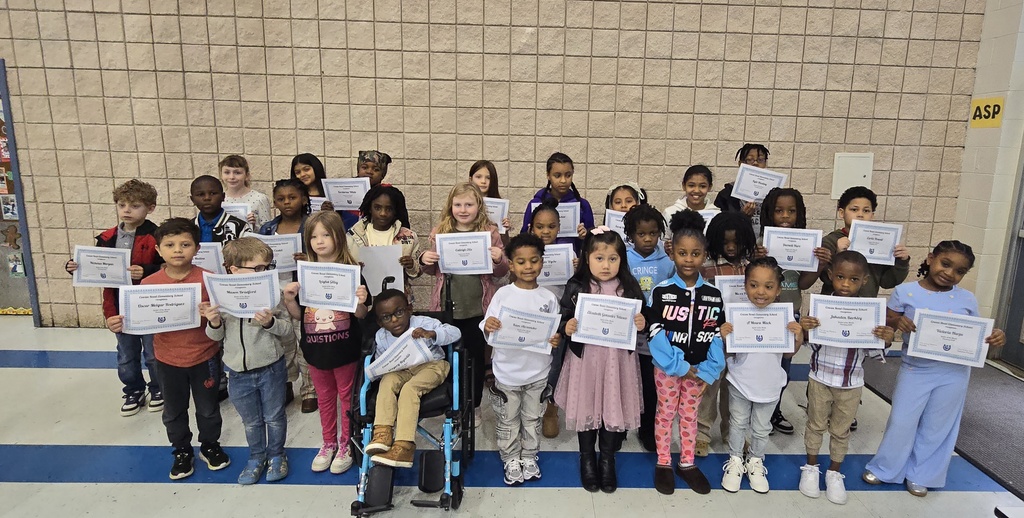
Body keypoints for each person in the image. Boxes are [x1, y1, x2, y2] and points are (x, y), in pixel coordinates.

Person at [863, 241, 1006, 496]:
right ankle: (887, 468)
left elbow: (976, 335)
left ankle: (923, 474)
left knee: (938, 425)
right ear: (930, 259)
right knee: (902, 420)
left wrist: (994, 337)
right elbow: (885, 324)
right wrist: (898, 322)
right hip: (915, 368)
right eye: (946, 264)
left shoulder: (967, 299)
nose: (950, 273)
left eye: (960, 271)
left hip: (954, 372)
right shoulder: (905, 292)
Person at [116, 218, 229, 479]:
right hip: (166, 360)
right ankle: (181, 450)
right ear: (158, 250)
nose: (177, 250)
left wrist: (214, 315)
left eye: (185, 244)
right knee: (174, 410)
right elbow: (139, 322)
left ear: (197, 248)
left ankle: (210, 445)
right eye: (170, 244)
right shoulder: (148, 285)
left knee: (209, 409)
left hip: (205, 357)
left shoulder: (209, 280)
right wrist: (123, 323)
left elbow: (222, 320)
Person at [795, 250, 895, 504]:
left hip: (851, 383)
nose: (845, 284)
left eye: (853, 280)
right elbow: (811, 345)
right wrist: (807, 331)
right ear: (830, 276)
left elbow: (873, 351)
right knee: (815, 425)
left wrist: (885, 338)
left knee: (840, 431)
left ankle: (834, 472)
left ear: (864, 281)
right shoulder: (821, 307)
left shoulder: (868, 313)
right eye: (840, 277)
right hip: (819, 379)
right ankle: (811, 468)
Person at [555, 227, 646, 494]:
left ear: (622, 260)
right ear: (586, 259)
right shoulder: (577, 286)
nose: (606, 265)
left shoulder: (628, 287)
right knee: (587, 405)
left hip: (617, 361)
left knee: (611, 405)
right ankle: (587, 459)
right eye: (599, 258)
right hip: (586, 360)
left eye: (612, 259)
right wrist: (567, 326)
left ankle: (607, 459)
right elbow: (562, 317)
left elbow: (643, 316)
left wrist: (641, 322)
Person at [282, 211, 372, 475]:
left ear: (338, 238)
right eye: (313, 236)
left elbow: (362, 315)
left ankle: (346, 444)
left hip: (345, 349)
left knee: (346, 397)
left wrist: (361, 301)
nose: (319, 241)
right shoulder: (304, 275)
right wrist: (289, 300)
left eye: (326, 235)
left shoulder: (352, 272)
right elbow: (300, 315)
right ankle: (328, 443)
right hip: (315, 350)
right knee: (324, 398)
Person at [64, 179, 164, 416]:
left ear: (150, 208)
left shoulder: (157, 236)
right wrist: (75, 267)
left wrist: (147, 271)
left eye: (135, 205)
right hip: (119, 305)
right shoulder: (106, 237)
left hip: (149, 304)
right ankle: (133, 389)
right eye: (122, 205)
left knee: (153, 353)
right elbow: (97, 270)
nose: (127, 210)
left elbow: (169, 266)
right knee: (126, 354)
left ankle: (159, 388)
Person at [201, 238, 293, 485]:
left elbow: (287, 330)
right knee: (251, 421)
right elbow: (215, 337)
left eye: (267, 267)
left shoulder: (272, 295)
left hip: (270, 367)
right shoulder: (222, 298)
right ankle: (256, 457)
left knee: (274, 416)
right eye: (259, 268)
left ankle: (276, 455)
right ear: (233, 269)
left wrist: (269, 323)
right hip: (237, 371)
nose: (264, 273)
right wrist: (214, 321)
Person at [646, 210, 725, 496]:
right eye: (682, 253)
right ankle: (664, 461)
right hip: (668, 369)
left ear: (704, 255)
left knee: (689, 416)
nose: (688, 259)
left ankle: (688, 463)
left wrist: (709, 368)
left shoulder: (713, 295)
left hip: (699, 369)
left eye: (695, 253)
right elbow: (654, 332)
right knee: (666, 413)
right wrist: (678, 365)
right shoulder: (662, 291)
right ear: (673, 255)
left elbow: (717, 333)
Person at [419, 182, 510, 427]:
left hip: (478, 309)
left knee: (476, 360)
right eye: (458, 204)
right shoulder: (441, 231)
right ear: (450, 206)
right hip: (447, 308)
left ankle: (475, 406)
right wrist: (424, 259)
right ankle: (453, 404)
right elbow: (431, 269)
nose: (463, 209)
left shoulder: (490, 232)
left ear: (478, 206)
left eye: (469, 204)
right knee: (449, 358)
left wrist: (500, 258)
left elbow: (501, 272)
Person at [481, 233, 562, 485]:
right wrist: (489, 324)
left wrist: (554, 339)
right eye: (522, 262)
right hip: (507, 373)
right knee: (508, 419)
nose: (528, 267)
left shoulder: (548, 298)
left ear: (542, 262)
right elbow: (487, 326)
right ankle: (510, 458)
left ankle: (529, 455)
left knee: (532, 418)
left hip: (538, 373)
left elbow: (552, 332)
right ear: (512, 265)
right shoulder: (503, 295)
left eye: (534, 261)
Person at [719, 256, 803, 494]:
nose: (761, 292)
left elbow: (788, 355)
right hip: (740, 380)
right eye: (754, 285)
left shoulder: (784, 316)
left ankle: (756, 461)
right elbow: (727, 352)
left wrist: (798, 337)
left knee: (761, 427)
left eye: (768, 286)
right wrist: (724, 336)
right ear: (745, 286)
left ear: (778, 290)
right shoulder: (736, 314)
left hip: (769, 384)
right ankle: (735, 461)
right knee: (737, 423)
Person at [754, 187, 831, 436]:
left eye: (791, 211)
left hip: (790, 314)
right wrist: (755, 258)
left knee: (784, 366)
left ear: (799, 214)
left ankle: (773, 409)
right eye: (779, 211)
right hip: (763, 314)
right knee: (758, 364)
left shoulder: (806, 244)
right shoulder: (761, 243)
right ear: (769, 213)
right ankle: (753, 410)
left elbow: (804, 284)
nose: (785, 216)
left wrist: (820, 264)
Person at [366, 289, 461, 468]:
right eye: (387, 317)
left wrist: (432, 334)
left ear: (409, 309)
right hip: (402, 369)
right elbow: (382, 364)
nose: (394, 320)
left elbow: (455, 333)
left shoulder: (423, 322)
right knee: (387, 382)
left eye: (399, 313)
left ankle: (404, 445)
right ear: (380, 321)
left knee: (410, 389)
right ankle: (383, 432)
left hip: (432, 365)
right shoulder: (381, 336)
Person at [694, 210, 758, 456]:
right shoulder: (706, 268)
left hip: (743, 339)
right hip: (712, 340)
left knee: (735, 389)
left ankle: (733, 432)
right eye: (725, 242)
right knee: (709, 387)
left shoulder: (751, 268)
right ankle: (702, 432)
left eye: (737, 242)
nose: (731, 247)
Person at [259, 179, 315, 412]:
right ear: (275, 202)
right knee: (280, 341)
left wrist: (308, 260)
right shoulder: (268, 229)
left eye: (292, 197)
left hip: (304, 292)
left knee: (304, 341)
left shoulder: (311, 226)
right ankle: (285, 385)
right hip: (274, 293)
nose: (287, 202)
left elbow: (325, 255)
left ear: (303, 199)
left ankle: (310, 389)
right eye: (281, 199)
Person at [622, 203, 674, 452]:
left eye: (652, 233)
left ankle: (646, 429)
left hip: (655, 336)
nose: (647, 238)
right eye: (641, 234)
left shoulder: (667, 262)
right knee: (624, 381)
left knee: (650, 385)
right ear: (631, 235)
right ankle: (619, 427)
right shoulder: (623, 258)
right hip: (627, 333)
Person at [529, 199, 576, 440]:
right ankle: (528, 408)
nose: (545, 232)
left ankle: (550, 409)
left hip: (557, 319)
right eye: (539, 226)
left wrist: (579, 269)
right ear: (531, 228)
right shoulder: (525, 254)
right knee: (530, 364)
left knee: (554, 366)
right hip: (531, 318)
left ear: (559, 228)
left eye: (551, 226)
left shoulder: (568, 254)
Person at [820, 186, 911, 296]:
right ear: (841, 213)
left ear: (872, 215)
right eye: (854, 209)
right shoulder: (830, 241)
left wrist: (902, 261)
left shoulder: (880, 242)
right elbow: (825, 277)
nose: (860, 214)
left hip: (864, 307)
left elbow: (887, 282)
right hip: (834, 305)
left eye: (866, 211)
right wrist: (839, 253)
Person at [348, 185, 421, 305]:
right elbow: (345, 268)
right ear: (370, 208)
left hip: (398, 300)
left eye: (389, 209)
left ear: (396, 210)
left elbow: (417, 272)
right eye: (377, 207)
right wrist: (356, 269)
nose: (383, 213)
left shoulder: (409, 237)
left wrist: (411, 264)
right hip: (364, 301)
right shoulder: (353, 236)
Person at [519, 152, 593, 254]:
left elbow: (593, 243)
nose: (563, 180)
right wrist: (528, 234)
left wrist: (584, 236)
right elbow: (522, 238)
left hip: (571, 263)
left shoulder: (582, 205)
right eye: (557, 176)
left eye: (568, 175)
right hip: (539, 261)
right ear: (548, 175)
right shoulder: (535, 203)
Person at [714, 144, 770, 237]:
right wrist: (742, 216)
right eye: (750, 159)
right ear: (740, 164)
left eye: (760, 160)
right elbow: (719, 226)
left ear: (765, 164)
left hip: (764, 247)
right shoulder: (726, 195)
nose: (755, 163)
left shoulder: (773, 194)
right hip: (737, 245)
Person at [191, 175, 251, 243]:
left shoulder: (240, 227)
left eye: (213, 193)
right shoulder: (187, 227)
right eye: (201, 194)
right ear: (192, 200)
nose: (207, 198)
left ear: (223, 196)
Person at [220, 155, 273, 230]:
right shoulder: (218, 199)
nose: (231, 177)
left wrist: (254, 226)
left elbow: (268, 230)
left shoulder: (259, 199)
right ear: (221, 175)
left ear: (247, 176)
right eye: (227, 172)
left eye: (237, 173)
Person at [469, 160, 513, 238]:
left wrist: (505, 228)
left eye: (488, 178)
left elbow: (503, 243)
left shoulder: (500, 206)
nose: (483, 181)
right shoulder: (463, 202)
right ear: (470, 179)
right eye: (478, 177)